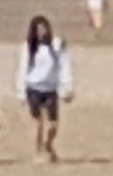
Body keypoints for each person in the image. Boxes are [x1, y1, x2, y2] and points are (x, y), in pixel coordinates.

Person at [16, 15, 74, 164]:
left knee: (53, 124)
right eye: (38, 30)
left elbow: (64, 66)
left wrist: (67, 87)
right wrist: (21, 92)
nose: (42, 32)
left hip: (51, 89)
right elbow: (23, 68)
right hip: (34, 88)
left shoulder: (57, 45)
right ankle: (38, 151)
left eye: (44, 28)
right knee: (38, 123)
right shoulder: (28, 47)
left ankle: (48, 145)